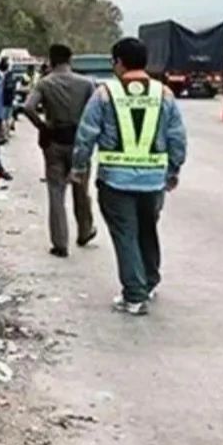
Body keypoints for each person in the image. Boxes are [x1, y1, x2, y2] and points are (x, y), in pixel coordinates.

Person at [71, 37, 187, 316]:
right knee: (148, 229)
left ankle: (134, 296)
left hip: (115, 180)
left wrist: (79, 167)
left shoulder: (104, 94)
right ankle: (148, 282)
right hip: (153, 181)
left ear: (119, 62)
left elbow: (86, 135)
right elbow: (177, 138)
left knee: (126, 235)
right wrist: (173, 170)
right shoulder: (164, 94)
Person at [22, 44, 98, 258]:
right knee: (81, 189)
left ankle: (60, 244)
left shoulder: (45, 84)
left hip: (54, 143)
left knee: (56, 193)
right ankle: (85, 231)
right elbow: (95, 113)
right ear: (70, 60)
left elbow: (28, 107)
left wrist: (42, 126)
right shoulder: (86, 84)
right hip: (79, 143)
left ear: (51, 60)